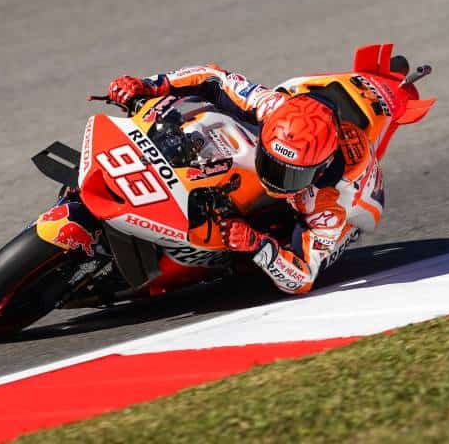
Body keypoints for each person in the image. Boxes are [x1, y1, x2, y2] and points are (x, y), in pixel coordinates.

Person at [107, 63, 388, 294]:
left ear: (320, 168)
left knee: (251, 275)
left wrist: (257, 243)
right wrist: (152, 85)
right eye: (273, 164)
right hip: (301, 125)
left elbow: (302, 277)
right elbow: (212, 78)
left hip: (352, 206)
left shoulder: (331, 204)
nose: (276, 178)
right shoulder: (270, 106)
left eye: (291, 175)